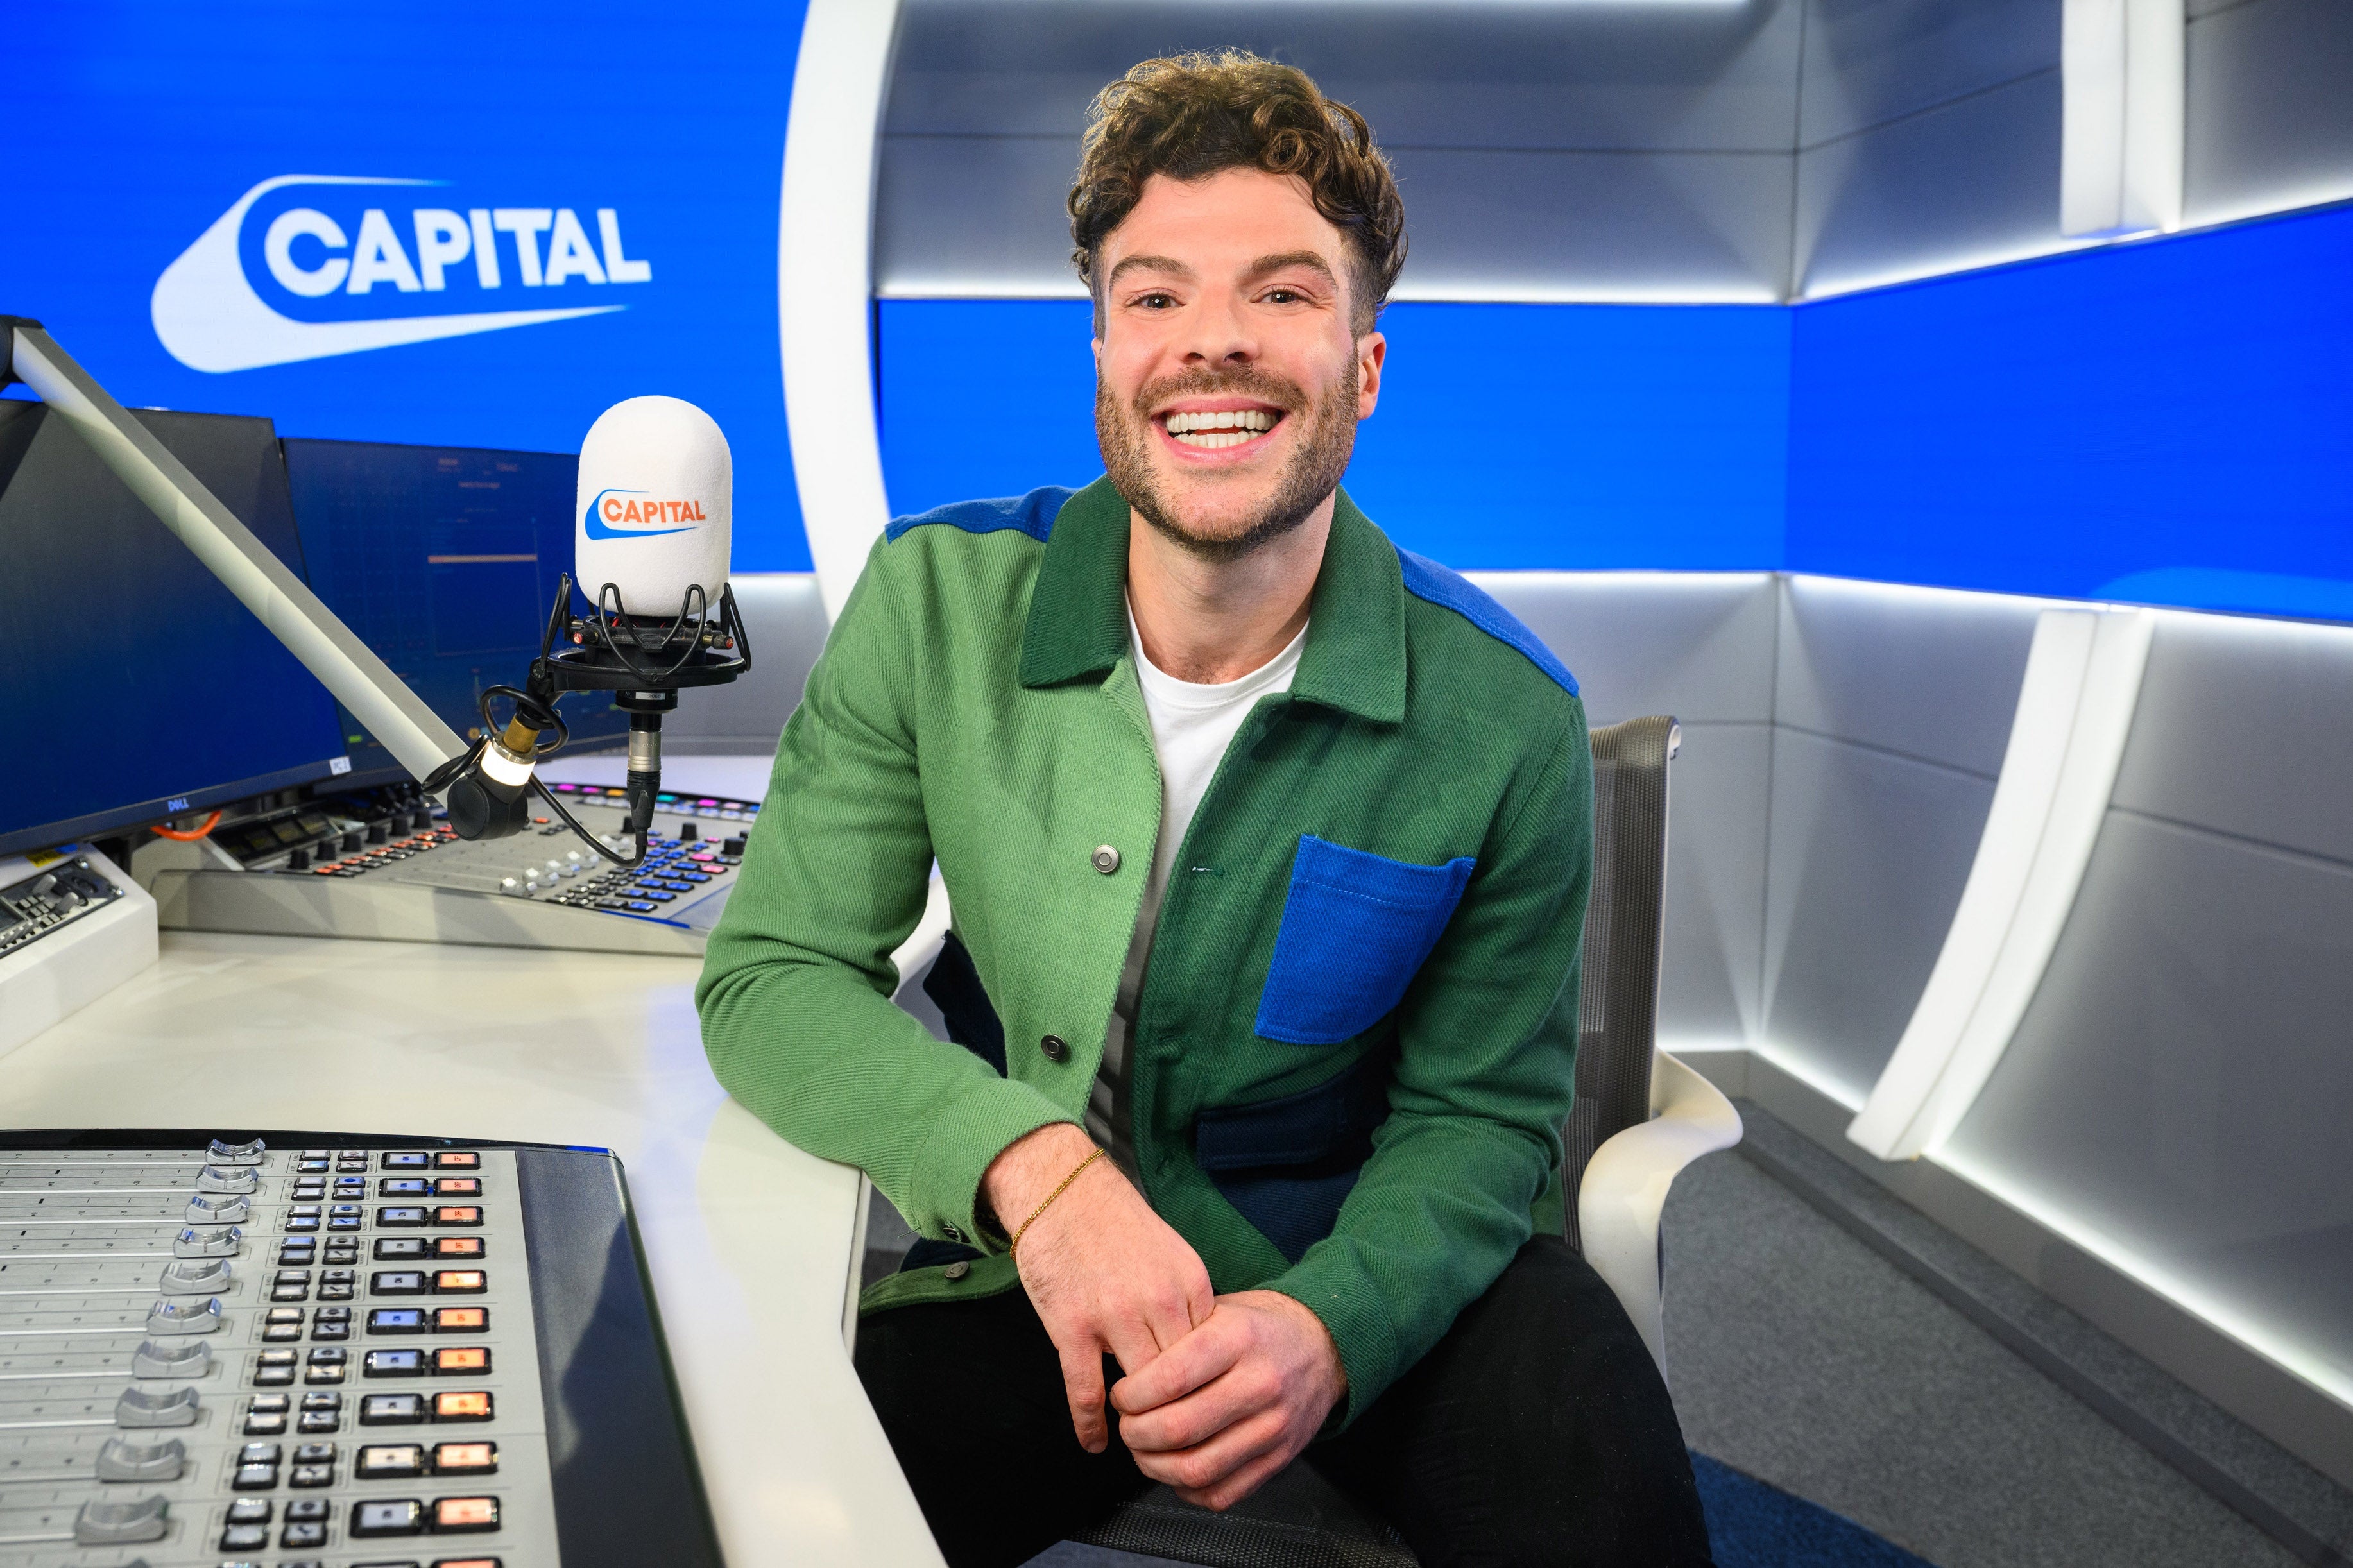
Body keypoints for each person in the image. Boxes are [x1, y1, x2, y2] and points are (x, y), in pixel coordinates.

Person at [698, 49, 1713, 1568]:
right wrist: (1038, 1182)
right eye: (1155, 297)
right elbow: (771, 978)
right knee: (741, 1492)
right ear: (1103, 354)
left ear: (1363, 365)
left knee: (1605, 1492)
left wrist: (1328, 1324)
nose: (1211, 346)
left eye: (1285, 294)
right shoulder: (933, 605)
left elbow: (1482, 1120)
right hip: (1029, 1274)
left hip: (1366, 1261)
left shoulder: (1507, 712)